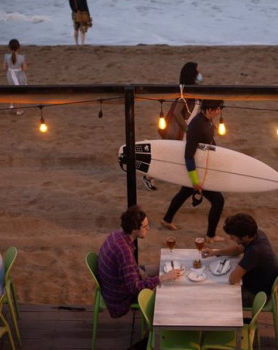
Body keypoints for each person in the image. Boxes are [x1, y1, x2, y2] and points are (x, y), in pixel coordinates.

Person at [161, 99, 226, 243]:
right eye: (218, 109)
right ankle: (210, 235)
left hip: (201, 167)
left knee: (184, 192)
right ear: (210, 109)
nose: (219, 111)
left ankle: (167, 219)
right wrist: (195, 180)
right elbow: (188, 155)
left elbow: (208, 143)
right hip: (196, 169)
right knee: (218, 201)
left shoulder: (205, 121)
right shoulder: (198, 125)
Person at [97, 205, 180, 318]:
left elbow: (130, 267)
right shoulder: (124, 252)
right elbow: (135, 288)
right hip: (119, 296)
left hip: (114, 283)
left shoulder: (117, 234)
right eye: (145, 227)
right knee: (166, 290)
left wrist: (146, 273)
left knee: (161, 268)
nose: (148, 229)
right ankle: (154, 328)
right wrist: (162, 278)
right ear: (135, 229)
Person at [143, 61, 203, 191]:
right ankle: (149, 176)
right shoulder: (185, 93)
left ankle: (150, 176)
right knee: (174, 155)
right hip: (183, 131)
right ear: (192, 74)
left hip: (188, 130)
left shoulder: (193, 91)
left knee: (176, 155)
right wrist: (187, 129)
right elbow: (176, 112)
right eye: (197, 72)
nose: (200, 74)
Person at [202, 213, 278, 305]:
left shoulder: (254, 251)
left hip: (256, 294)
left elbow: (232, 279)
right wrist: (215, 252)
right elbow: (238, 249)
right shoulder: (257, 233)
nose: (230, 238)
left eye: (233, 237)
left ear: (245, 237)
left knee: (215, 296)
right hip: (257, 282)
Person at [2, 38, 28, 115]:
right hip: (19, 75)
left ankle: (11, 104)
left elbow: (4, 68)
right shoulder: (22, 57)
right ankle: (19, 110)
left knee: (12, 88)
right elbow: (25, 68)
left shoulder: (6, 57)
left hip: (10, 75)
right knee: (19, 92)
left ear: (9, 48)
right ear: (19, 47)